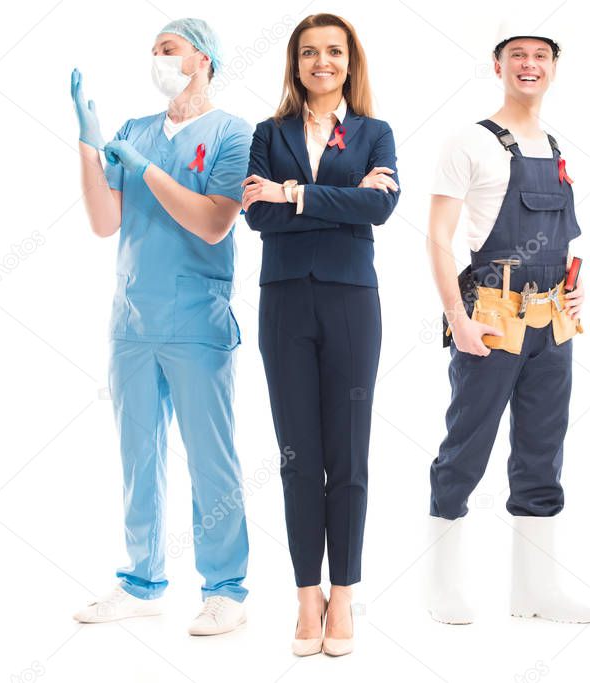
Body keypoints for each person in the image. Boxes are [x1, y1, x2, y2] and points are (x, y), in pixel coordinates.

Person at [70, 18, 253, 636]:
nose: (158, 59)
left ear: (202, 58)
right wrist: (90, 146)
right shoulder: (134, 131)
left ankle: (225, 589)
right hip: (132, 319)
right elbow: (103, 222)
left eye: (168, 49)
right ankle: (141, 581)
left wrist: (145, 168)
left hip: (197, 320)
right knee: (137, 453)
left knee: (211, 459)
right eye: (153, 50)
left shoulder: (233, 133)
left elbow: (212, 223)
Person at [424, 22, 590, 626]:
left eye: (541, 55)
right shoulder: (469, 141)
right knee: (465, 448)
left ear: (553, 67)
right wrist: (457, 319)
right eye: (517, 54)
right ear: (497, 65)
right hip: (490, 319)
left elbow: (565, 240)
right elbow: (438, 239)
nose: (530, 64)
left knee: (542, 454)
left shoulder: (555, 147)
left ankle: (535, 591)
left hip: (552, 325)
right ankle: (441, 586)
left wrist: (574, 298)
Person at [241, 13, 399, 657]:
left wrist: (295, 196)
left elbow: (382, 207)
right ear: (295, 63)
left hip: (352, 306)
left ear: (350, 61)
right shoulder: (266, 131)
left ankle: (344, 595)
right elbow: (255, 216)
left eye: (333, 51)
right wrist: (333, 198)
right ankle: (308, 595)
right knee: (298, 455)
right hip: (283, 304)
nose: (321, 62)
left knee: (349, 455)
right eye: (309, 52)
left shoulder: (374, 133)